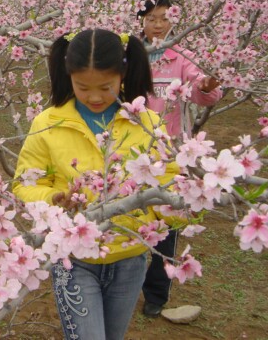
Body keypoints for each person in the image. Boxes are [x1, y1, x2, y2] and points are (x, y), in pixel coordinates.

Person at [13, 29, 178, 340]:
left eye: (106, 87)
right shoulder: (48, 123)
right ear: (68, 76)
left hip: (129, 256)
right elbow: (25, 183)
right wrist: (53, 198)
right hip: (73, 259)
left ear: (123, 74)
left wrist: (165, 215)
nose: (95, 97)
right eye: (82, 87)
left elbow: (169, 182)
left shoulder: (147, 123)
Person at [137, 0, 223, 317]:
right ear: (141, 21)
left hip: (172, 154)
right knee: (132, 217)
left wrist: (206, 85)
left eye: (164, 18)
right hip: (134, 153)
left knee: (168, 223)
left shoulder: (182, 56)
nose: (158, 25)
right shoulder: (132, 55)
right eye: (151, 19)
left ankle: (156, 294)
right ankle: (126, 282)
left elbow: (205, 92)